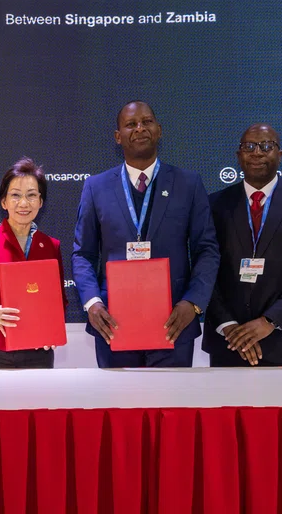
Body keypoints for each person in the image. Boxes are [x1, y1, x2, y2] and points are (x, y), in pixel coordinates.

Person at [72, 101, 219, 367]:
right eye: (130, 124)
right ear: (118, 137)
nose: (140, 128)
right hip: (113, 324)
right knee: (118, 408)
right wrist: (93, 303)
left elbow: (206, 249)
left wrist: (193, 303)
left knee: (171, 409)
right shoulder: (96, 187)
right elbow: (83, 254)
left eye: (147, 122)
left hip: (173, 322)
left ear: (159, 130)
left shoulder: (188, 184)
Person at [203, 124, 282, 371]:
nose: (257, 153)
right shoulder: (214, 205)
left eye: (266, 146)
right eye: (249, 146)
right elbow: (204, 269)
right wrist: (228, 325)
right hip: (230, 342)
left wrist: (269, 321)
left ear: (280, 154)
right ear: (238, 155)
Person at [0, 158, 66, 369]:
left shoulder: (51, 246)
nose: (23, 203)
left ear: (41, 202)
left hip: (39, 350)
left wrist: (53, 330)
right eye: (15, 195)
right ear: (4, 202)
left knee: (38, 403)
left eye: (32, 195)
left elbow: (59, 299)